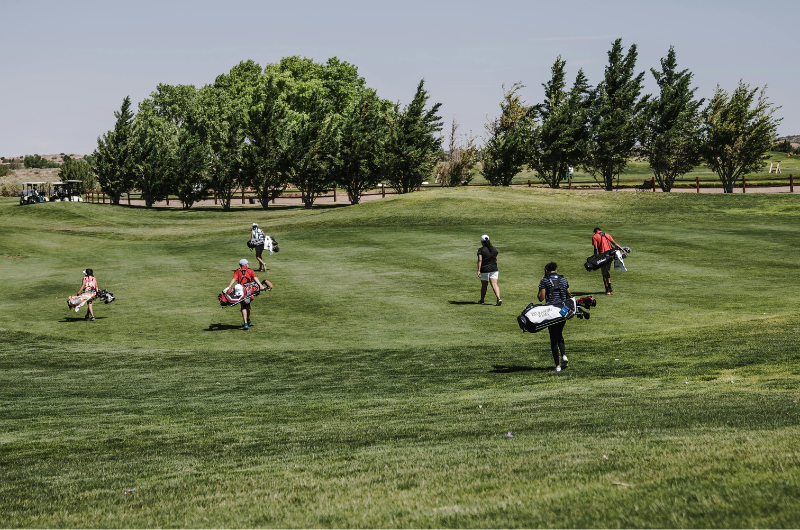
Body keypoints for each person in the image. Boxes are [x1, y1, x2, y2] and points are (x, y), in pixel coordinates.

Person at [538, 262, 573, 372]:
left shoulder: (545, 280)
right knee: (559, 334)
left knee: (553, 337)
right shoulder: (563, 279)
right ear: (556, 270)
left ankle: (558, 365)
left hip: (551, 311)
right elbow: (569, 294)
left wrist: (541, 285)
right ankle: (563, 356)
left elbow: (541, 298)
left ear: (547, 271)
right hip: (563, 310)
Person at [225, 259, 272, 330]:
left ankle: (247, 321)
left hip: (241, 291)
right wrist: (260, 285)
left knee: (246, 306)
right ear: (245, 264)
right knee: (245, 306)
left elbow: (234, 279)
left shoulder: (237, 271)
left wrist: (229, 287)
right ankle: (246, 323)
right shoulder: (250, 270)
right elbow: (255, 278)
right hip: (249, 291)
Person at [592, 227, 623, 295]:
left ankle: (607, 290)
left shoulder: (594, 236)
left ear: (594, 232)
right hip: (610, 256)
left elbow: (596, 248)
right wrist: (623, 250)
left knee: (604, 274)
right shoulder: (607, 235)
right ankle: (610, 287)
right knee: (607, 272)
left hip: (603, 257)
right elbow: (615, 243)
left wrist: (595, 257)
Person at [477, 234, 501, 306]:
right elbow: (496, 259)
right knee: (494, 284)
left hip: (484, 269)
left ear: (482, 241)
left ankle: (482, 300)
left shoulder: (481, 250)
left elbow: (480, 260)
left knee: (484, 285)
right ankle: (499, 298)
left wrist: (478, 270)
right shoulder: (494, 249)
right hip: (494, 269)